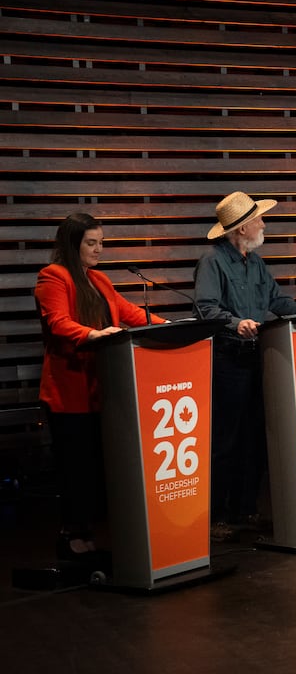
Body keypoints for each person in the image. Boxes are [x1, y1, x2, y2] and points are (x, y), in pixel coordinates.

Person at [34, 212, 167, 559]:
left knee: (98, 467)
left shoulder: (99, 279)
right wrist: (93, 334)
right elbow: (58, 322)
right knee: (76, 468)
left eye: (101, 242)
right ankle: (72, 533)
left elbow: (130, 313)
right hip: (70, 392)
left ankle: (94, 531)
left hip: (103, 388)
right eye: (91, 243)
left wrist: (169, 326)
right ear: (72, 244)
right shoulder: (53, 276)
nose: (98, 249)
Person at [194, 191, 296, 541]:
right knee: (225, 441)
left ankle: (245, 510)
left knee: (254, 438)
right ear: (242, 228)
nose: (264, 224)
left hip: (258, 357)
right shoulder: (212, 261)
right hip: (228, 360)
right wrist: (235, 322)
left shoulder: (255, 262)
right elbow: (206, 308)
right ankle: (216, 517)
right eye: (259, 219)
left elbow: (276, 299)